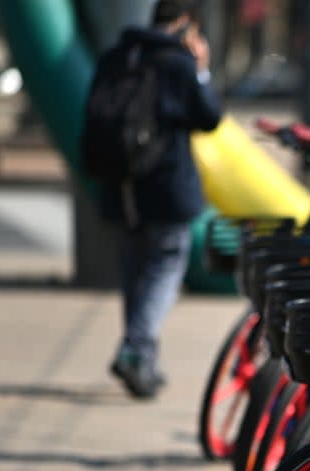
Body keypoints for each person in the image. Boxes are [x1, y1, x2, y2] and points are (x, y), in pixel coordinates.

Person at [87, 0, 222, 399]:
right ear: (184, 25)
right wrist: (202, 68)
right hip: (167, 187)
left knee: (135, 275)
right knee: (164, 271)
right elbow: (209, 117)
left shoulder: (115, 57)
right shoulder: (177, 64)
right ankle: (135, 350)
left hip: (121, 187)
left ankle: (143, 360)